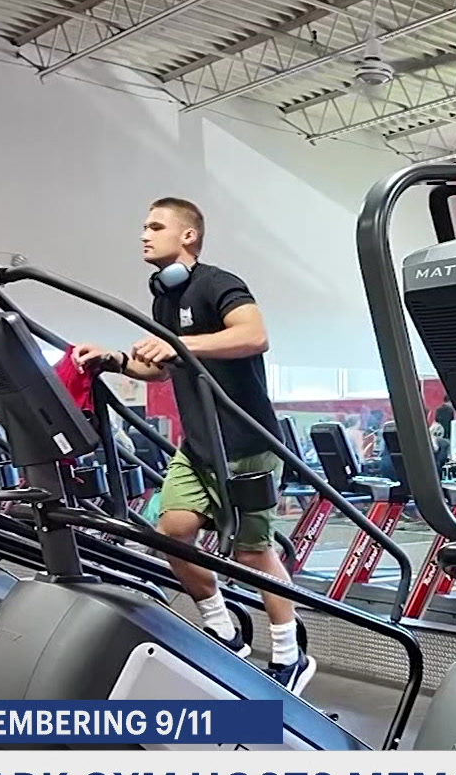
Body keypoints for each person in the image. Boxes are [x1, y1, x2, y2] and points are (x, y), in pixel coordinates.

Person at [71, 198, 312, 694]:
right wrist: (113, 359)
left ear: (188, 236)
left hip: (248, 442)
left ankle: (291, 653)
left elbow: (254, 335)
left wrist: (182, 344)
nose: (144, 234)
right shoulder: (165, 298)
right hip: (198, 447)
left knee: (252, 553)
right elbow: (160, 368)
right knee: (171, 533)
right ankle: (223, 630)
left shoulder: (217, 283)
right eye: (144, 226)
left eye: (155, 226)